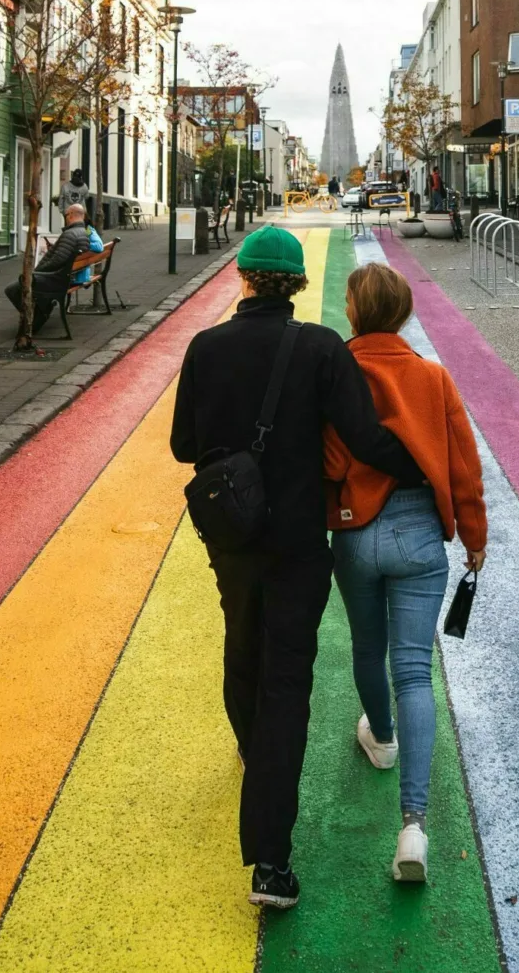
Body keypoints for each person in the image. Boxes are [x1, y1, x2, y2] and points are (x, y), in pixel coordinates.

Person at [170, 226, 427, 911]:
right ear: (298, 285)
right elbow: (368, 439)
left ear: (245, 277)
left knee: (240, 649)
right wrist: (425, 464)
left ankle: (258, 759)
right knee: (287, 681)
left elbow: (183, 445)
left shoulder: (205, 347)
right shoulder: (319, 349)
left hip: (231, 539)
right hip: (297, 545)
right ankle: (271, 866)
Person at [324, 263, 487, 884]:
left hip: (357, 530)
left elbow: (333, 457)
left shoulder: (342, 374)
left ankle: (382, 739)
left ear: (355, 311)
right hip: (421, 534)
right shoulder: (432, 377)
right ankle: (414, 826)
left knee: (369, 647)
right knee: (415, 671)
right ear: (404, 312)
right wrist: (474, 538)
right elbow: (464, 467)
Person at [4, 203, 95, 333]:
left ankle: (37, 317)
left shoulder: (70, 234)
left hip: (57, 279)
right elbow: (64, 255)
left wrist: (36, 272)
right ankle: (43, 308)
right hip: (68, 276)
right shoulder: (84, 232)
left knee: (12, 289)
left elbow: (57, 260)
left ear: (70, 216)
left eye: (66, 215)